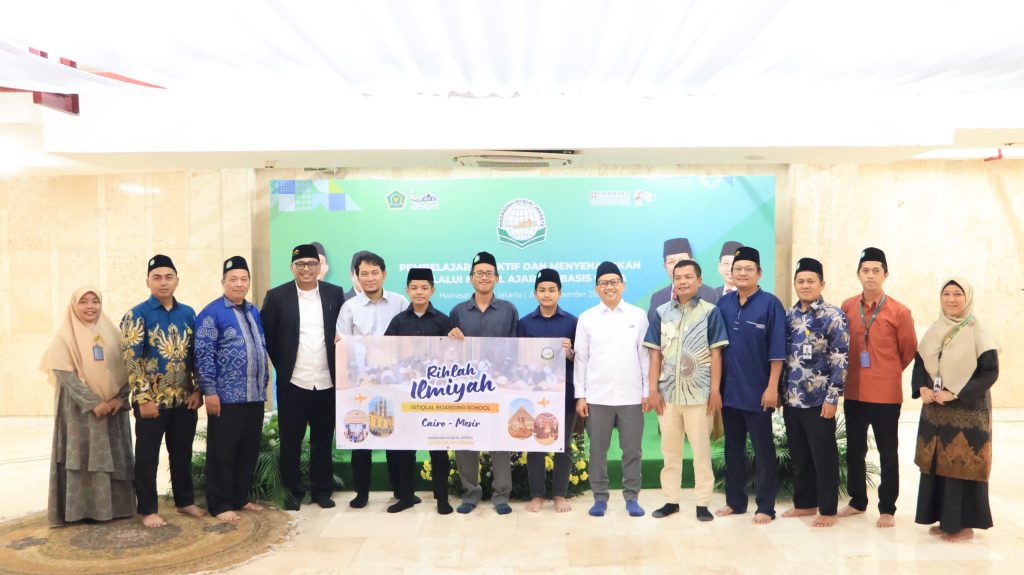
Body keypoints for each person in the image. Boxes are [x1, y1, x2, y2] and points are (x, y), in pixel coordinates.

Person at [120, 255, 205, 527]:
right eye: (157, 277)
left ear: (177, 280)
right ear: (147, 281)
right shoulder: (137, 315)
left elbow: (197, 355)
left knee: (182, 454)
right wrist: (143, 398)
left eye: (169, 277)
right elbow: (132, 360)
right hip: (152, 403)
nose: (163, 282)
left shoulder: (188, 313)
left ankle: (184, 501)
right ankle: (148, 509)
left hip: (184, 400)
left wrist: (198, 390)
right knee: (147, 457)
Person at [912, 277, 999, 542]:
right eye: (946, 293)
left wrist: (956, 393)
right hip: (936, 411)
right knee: (937, 464)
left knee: (962, 465)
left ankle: (964, 525)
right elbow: (920, 362)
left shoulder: (978, 331)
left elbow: (989, 372)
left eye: (957, 294)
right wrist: (922, 388)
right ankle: (944, 520)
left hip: (968, 413)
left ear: (967, 297)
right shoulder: (935, 329)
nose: (951, 299)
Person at [260, 244, 345, 510]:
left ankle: (322, 490)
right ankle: (292, 491)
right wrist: (284, 365)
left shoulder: (334, 293)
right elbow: (267, 336)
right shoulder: (276, 296)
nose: (306, 269)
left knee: (322, 440)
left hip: (327, 381)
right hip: (294, 382)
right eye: (300, 264)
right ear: (292, 267)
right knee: (291, 441)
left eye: (311, 264)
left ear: (320, 267)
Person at [41, 286, 135, 526]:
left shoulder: (113, 333)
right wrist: (93, 403)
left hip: (113, 410)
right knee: (83, 457)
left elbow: (129, 369)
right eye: (84, 301)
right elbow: (64, 374)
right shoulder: (64, 337)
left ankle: (117, 509)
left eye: (95, 301)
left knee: (114, 455)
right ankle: (82, 510)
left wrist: (120, 398)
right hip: (80, 412)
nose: (90, 306)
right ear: (74, 305)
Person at [838, 247, 917, 528]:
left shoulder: (899, 311)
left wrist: (887, 372)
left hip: (885, 395)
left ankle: (887, 508)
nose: (870, 275)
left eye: (876, 271)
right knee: (854, 450)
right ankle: (857, 501)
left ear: (886, 274)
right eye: (865, 270)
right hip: (854, 391)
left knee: (887, 452)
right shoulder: (847, 306)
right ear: (858, 274)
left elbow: (908, 350)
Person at [645, 259, 728, 522]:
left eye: (688, 277)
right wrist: (653, 390)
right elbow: (655, 354)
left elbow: (716, 354)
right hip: (667, 397)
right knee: (670, 454)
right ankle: (671, 501)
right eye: (678, 277)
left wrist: (715, 390)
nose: (682, 281)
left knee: (701, 454)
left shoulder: (710, 312)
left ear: (699, 281)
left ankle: (703, 503)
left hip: (700, 396)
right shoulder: (661, 312)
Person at [195, 256, 270, 522]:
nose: (239, 284)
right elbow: (203, 354)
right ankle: (219, 504)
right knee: (222, 453)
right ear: (223, 281)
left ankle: (240, 497)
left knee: (247, 451)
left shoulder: (252, 311)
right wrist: (210, 391)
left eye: (243, 279)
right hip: (225, 398)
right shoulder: (211, 313)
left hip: (253, 395)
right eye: (233, 279)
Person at [715, 246, 786, 524]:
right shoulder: (723, 304)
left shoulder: (770, 304)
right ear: (730, 273)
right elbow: (715, 350)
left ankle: (766, 506)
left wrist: (772, 387)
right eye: (738, 269)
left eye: (748, 269)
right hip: (729, 392)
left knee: (763, 451)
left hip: (759, 393)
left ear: (759, 273)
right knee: (733, 451)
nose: (742, 273)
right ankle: (735, 502)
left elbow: (777, 350)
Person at [335, 251, 409, 509]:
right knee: (361, 437)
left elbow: (409, 340)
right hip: (360, 383)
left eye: (374, 273)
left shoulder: (400, 302)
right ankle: (362, 493)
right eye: (364, 274)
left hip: (394, 383)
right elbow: (342, 345)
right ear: (356, 276)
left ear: (384, 274)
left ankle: (401, 490)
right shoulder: (349, 308)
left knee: (395, 437)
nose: (369, 278)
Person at [575, 261, 650, 518]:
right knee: (598, 451)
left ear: (623, 285)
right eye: (604, 283)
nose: (609, 287)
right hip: (597, 397)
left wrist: (646, 391)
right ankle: (599, 497)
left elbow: (644, 356)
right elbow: (581, 359)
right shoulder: (587, 318)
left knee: (632, 450)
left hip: (631, 395)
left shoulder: (637, 316)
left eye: (614, 282)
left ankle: (632, 497)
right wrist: (580, 395)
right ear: (597, 288)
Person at [448, 251, 519, 514]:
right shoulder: (458, 312)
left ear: (497, 278)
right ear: (471, 278)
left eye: (489, 273)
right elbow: (448, 351)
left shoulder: (508, 310)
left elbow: (515, 348)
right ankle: (470, 493)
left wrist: (507, 379)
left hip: (499, 386)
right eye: (479, 273)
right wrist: (450, 337)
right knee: (466, 439)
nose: (484, 277)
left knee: (500, 440)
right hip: (466, 388)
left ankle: (501, 496)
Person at [780, 258, 849, 527]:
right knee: (799, 455)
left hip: (820, 401)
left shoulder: (833, 316)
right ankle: (805, 504)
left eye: (811, 281)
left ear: (822, 284)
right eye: (801, 281)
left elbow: (841, 359)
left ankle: (828, 510)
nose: (805, 285)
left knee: (824, 457)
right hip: (792, 399)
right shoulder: (789, 316)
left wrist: (833, 398)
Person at [383, 268, 454, 514]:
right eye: (414, 288)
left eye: (424, 288)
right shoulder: (398, 321)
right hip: (405, 395)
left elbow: (452, 357)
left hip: (435, 395)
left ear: (432, 290)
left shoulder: (443, 321)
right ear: (407, 290)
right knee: (405, 448)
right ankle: (406, 497)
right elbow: (385, 351)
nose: (419, 292)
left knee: (439, 449)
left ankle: (442, 498)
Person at [517, 268, 578, 513]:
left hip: (564, 393)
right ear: (535, 293)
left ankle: (560, 495)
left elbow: (580, 359)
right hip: (535, 394)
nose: (547, 294)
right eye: (542, 290)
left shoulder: (572, 322)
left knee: (563, 446)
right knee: (536, 445)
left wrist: (569, 353)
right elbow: (519, 360)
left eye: (552, 290)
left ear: (560, 293)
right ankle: (537, 495)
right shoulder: (524, 324)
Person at [648, 238, 720, 319]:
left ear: (693, 263)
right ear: (665, 267)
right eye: (671, 262)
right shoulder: (657, 298)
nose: (677, 266)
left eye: (682, 260)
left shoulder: (710, 294)